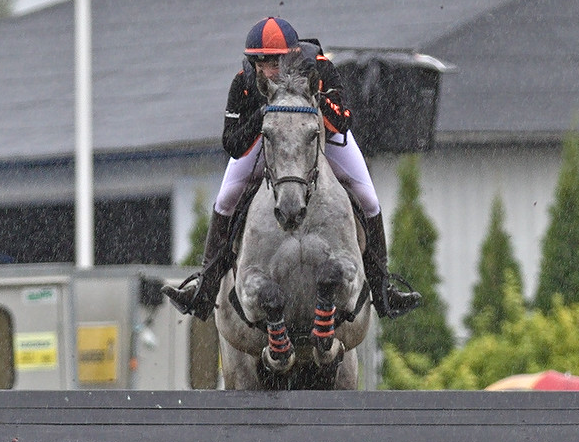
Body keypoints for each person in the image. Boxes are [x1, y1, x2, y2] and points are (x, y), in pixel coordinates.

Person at [166, 17, 420, 319]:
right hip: (268, 142)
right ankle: (204, 290)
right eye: (259, 62)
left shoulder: (320, 68)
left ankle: (382, 289)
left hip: (319, 140)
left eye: (273, 62)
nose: (266, 70)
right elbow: (232, 142)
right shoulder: (243, 82)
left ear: (292, 56)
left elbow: (344, 121)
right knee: (225, 201)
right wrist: (263, 116)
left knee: (369, 200)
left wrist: (313, 103)